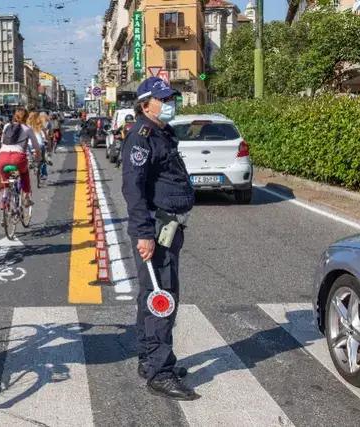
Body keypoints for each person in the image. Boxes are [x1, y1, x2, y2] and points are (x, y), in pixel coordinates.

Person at [121, 77, 198, 400]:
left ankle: (149, 359)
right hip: (156, 229)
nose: (171, 104)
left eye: (172, 99)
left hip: (167, 228)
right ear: (145, 104)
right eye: (164, 99)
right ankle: (159, 372)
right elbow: (133, 189)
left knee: (153, 296)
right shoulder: (141, 137)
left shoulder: (160, 133)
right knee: (161, 299)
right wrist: (143, 233)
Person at [0, 107, 41, 207]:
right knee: (24, 174)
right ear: (26, 117)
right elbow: (36, 147)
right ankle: (26, 197)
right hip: (18, 158)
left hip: (2, 157)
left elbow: (2, 141)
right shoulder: (27, 129)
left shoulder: (7, 126)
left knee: (4, 178)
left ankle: (5, 195)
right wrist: (38, 157)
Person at [27, 111, 49, 179]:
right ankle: (43, 172)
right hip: (40, 144)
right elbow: (45, 135)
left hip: (30, 144)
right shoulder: (40, 125)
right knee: (43, 159)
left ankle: (30, 160)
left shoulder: (27, 126)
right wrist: (46, 140)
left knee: (28, 150)